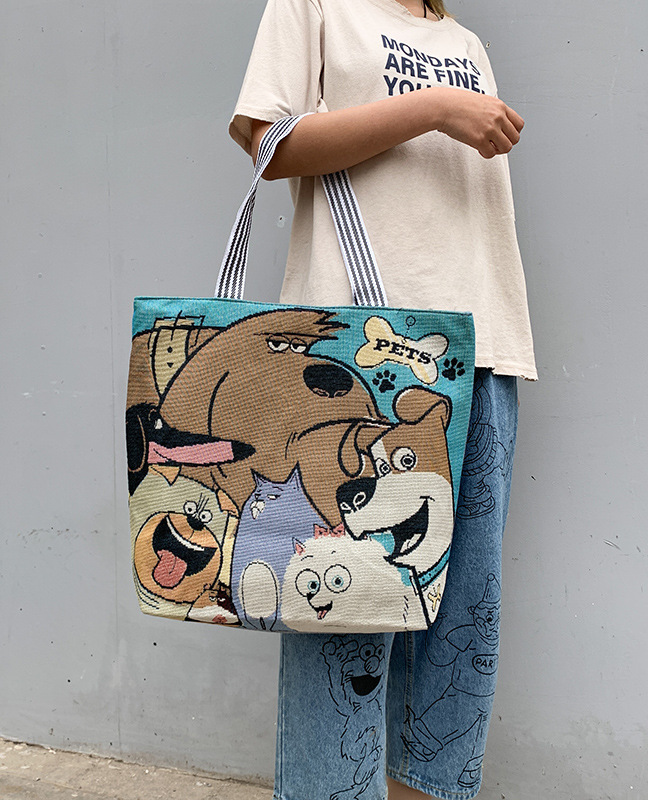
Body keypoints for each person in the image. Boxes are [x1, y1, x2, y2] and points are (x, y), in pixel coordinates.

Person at [228, 0, 537, 798]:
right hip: (359, 363)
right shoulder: (317, 5)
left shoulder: (464, 40)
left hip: (478, 350)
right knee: (343, 608)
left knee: (461, 627)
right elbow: (268, 142)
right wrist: (434, 108)